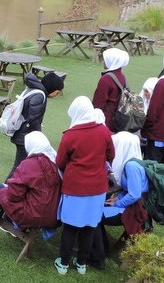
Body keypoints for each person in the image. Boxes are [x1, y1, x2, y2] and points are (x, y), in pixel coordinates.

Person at [0, 132, 62, 247]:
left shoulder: (30, 164)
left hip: (32, 214)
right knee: (26, 194)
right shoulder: (56, 163)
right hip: (52, 217)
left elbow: (13, 195)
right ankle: (3, 224)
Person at [55, 96, 115, 276]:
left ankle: (64, 263)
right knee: (90, 225)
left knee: (71, 226)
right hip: (97, 188)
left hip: (75, 187)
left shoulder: (70, 135)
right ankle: (81, 263)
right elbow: (111, 154)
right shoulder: (103, 131)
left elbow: (60, 161)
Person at [89, 132, 151, 269]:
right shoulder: (135, 161)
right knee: (96, 211)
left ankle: (98, 256)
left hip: (133, 209)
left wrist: (117, 202)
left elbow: (134, 194)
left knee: (92, 216)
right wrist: (117, 198)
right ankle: (101, 251)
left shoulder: (131, 167)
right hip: (132, 204)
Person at [7, 72, 64, 178]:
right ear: (52, 87)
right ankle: (4, 190)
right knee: (19, 166)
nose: (57, 94)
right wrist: (38, 135)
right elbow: (33, 118)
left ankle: (13, 188)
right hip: (25, 136)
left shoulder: (34, 89)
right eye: (57, 92)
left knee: (23, 165)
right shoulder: (39, 95)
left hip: (22, 133)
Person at [92, 48, 129, 132]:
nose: (103, 62)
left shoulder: (106, 79)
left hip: (106, 120)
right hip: (118, 120)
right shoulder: (122, 77)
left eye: (105, 60)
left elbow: (98, 103)